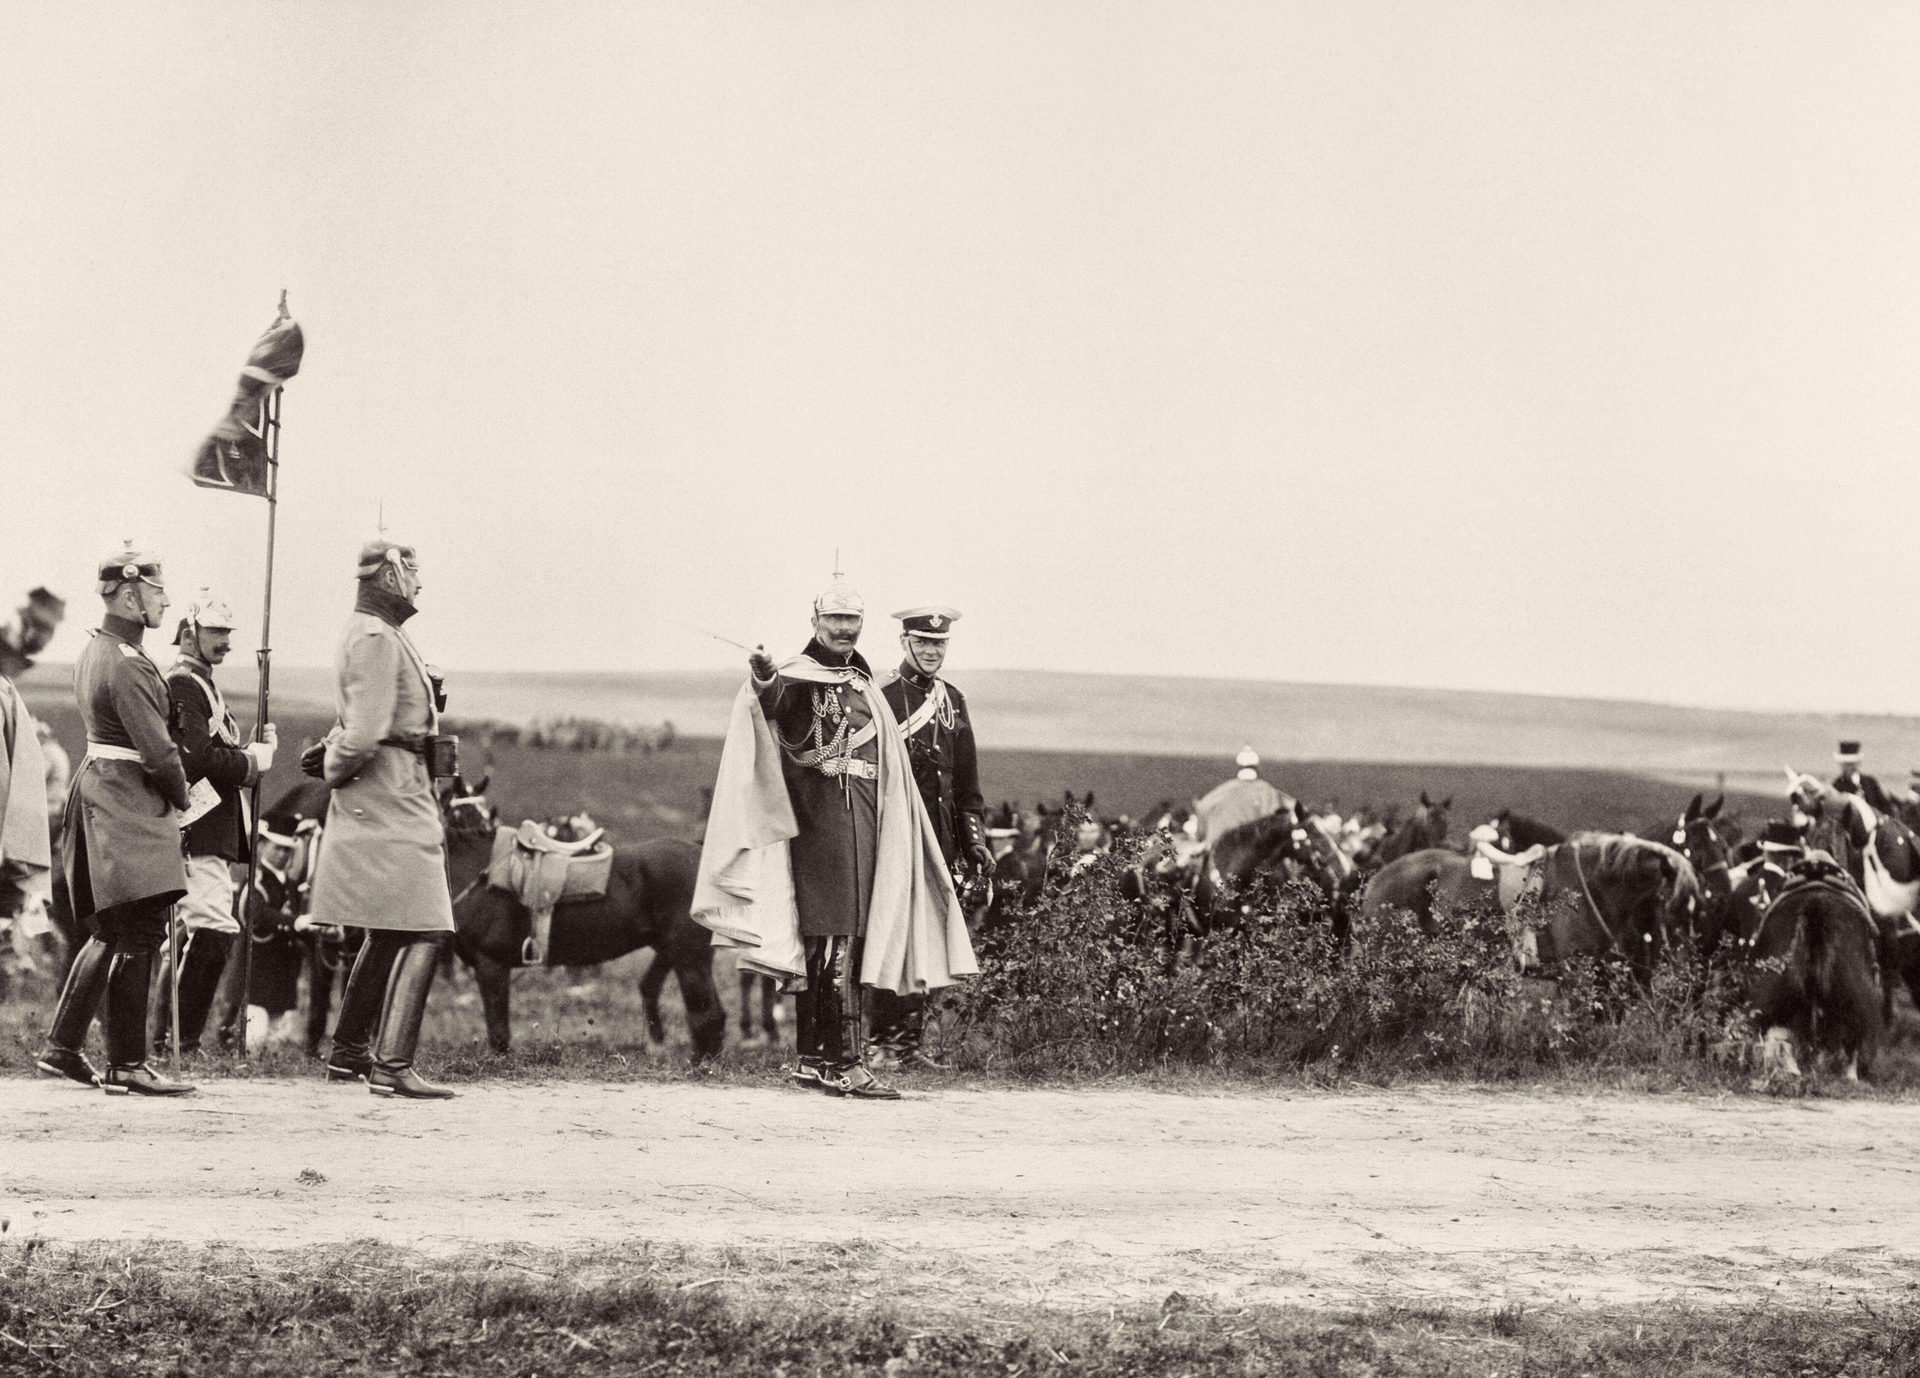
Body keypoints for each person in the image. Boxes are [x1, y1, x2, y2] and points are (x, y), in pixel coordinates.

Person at [692, 572, 976, 1100]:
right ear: (816, 621)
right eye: (835, 619)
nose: (844, 629)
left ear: (862, 623)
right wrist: (762, 678)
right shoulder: (798, 676)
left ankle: (811, 1060)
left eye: (852, 620)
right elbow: (775, 703)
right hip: (822, 825)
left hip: (863, 822)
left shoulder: (862, 680)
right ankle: (844, 1063)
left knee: (831, 942)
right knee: (837, 938)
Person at [35, 544, 196, 1094]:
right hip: (129, 799)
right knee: (141, 926)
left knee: (112, 927)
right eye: (156, 592)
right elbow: (158, 751)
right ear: (129, 595)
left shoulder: (98, 651)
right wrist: (184, 799)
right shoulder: (125, 664)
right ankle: (127, 1062)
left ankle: (62, 1047)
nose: (165, 602)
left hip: (105, 791)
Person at [305, 539, 457, 1099]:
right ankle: (392, 1064)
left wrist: (330, 752)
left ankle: (348, 1054)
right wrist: (331, 763)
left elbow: (361, 716)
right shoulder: (374, 637)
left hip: (394, 788)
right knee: (428, 926)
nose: (421, 583)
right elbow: (366, 729)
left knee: (390, 927)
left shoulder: (380, 634)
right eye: (413, 572)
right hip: (393, 794)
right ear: (390, 577)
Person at [152, 592, 276, 1056]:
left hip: (210, 828)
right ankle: (177, 1042)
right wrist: (249, 761)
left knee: (189, 935)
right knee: (213, 927)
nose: (225, 642)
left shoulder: (204, 685)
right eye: (216, 633)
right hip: (198, 827)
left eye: (227, 633)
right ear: (189, 633)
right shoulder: (184, 684)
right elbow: (195, 758)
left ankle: (169, 1039)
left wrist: (258, 750)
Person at [872, 605, 991, 1069]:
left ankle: (909, 1047)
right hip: (893, 840)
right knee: (892, 939)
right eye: (922, 642)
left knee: (927, 941)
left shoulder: (953, 699)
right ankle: (881, 1044)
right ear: (905, 643)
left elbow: (967, 783)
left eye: (939, 644)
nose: (931, 651)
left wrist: (973, 840)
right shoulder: (881, 694)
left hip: (938, 843)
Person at [1192, 746, 1291, 845]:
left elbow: (1202, 808)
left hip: (1216, 846)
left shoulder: (1221, 791)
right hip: (1253, 849)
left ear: (1238, 766)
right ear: (1257, 767)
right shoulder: (1268, 791)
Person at [1831, 740, 1893, 815]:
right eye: (1847, 764)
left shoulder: (1870, 781)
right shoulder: (1837, 785)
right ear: (1842, 765)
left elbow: (1885, 805)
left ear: (1857, 764)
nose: (1850, 767)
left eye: (1852, 764)